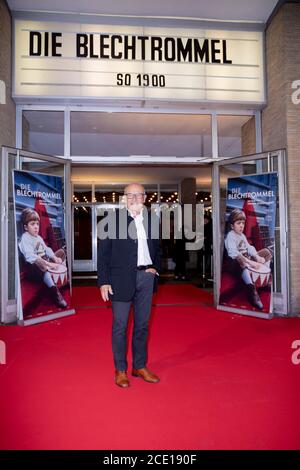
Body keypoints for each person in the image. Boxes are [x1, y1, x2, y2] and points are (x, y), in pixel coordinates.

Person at [97, 183, 161, 388]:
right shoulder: (111, 221)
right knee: (120, 326)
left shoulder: (153, 220)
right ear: (124, 198)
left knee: (142, 326)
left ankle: (139, 366)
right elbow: (103, 255)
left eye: (138, 195)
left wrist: (155, 268)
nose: (134, 199)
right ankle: (120, 370)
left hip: (145, 278)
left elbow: (158, 248)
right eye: (130, 195)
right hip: (119, 280)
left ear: (145, 197)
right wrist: (104, 281)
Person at [18, 208, 67, 308]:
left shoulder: (38, 238)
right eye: (32, 224)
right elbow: (30, 256)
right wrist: (49, 264)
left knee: (61, 252)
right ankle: (55, 293)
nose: (36, 227)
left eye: (37, 224)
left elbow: (47, 249)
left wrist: (54, 258)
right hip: (34, 270)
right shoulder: (25, 238)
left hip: (46, 262)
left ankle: (61, 278)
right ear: (26, 227)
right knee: (39, 261)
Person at [224, 208, 272, 310]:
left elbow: (249, 248)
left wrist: (257, 257)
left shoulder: (242, 236)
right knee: (240, 258)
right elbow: (233, 253)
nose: (241, 225)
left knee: (266, 253)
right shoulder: (230, 236)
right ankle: (251, 290)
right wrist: (251, 263)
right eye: (238, 223)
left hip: (247, 259)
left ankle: (264, 281)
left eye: (243, 223)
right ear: (232, 226)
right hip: (236, 265)